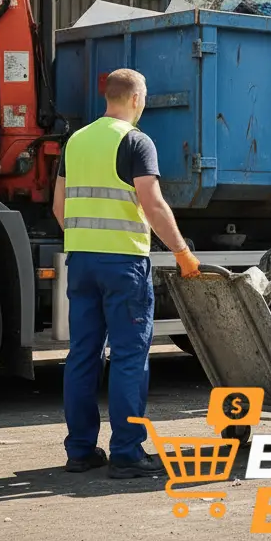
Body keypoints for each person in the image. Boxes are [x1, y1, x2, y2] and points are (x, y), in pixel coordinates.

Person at [52, 68, 201, 478]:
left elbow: (59, 207)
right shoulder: (135, 141)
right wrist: (182, 252)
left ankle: (80, 451)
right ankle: (126, 452)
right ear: (136, 99)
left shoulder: (76, 141)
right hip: (123, 264)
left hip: (81, 260)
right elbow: (152, 204)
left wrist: (85, 239)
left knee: (83, 354)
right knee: (129, 356)